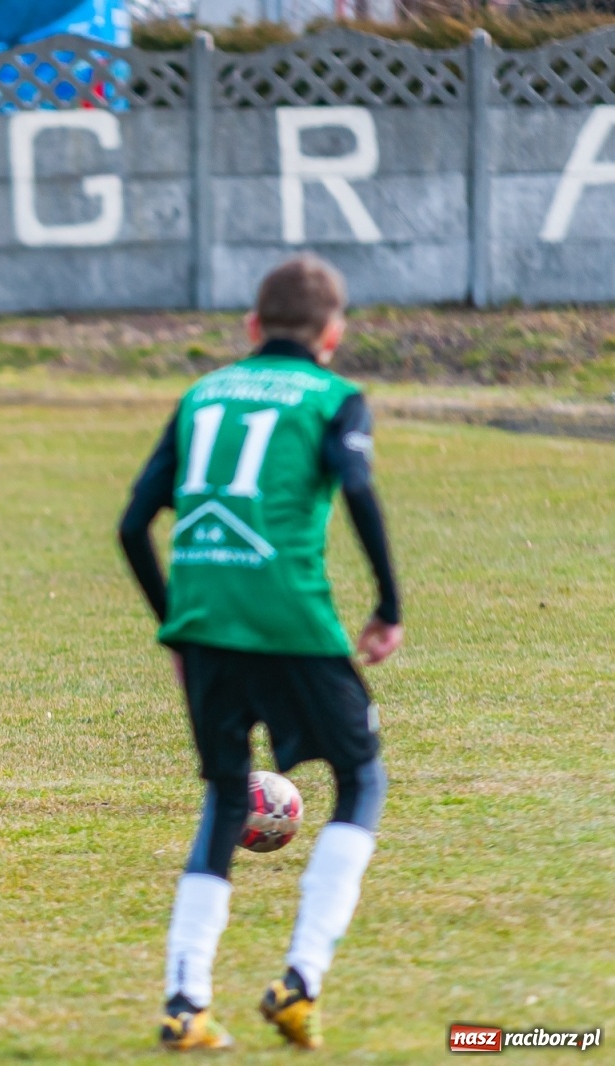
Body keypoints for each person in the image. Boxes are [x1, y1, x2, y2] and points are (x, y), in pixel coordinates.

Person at [117, 255, 403, 1050]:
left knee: (222, 795)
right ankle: (301, 981)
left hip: (205, 623)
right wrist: (386, 604)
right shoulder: (334, 397)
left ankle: (185, 1001)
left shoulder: (201, 395)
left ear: (251, 327)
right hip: (291, 623)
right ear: (334, 336)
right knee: (361, 777)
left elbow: (131, 525)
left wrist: (174, 624)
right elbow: (355, 483)